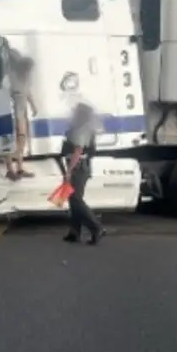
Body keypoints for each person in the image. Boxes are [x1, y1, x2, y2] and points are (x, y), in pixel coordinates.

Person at [61, 102, 106, 245]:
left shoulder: (82, 128)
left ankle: (96, 227)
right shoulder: (83, 127)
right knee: (73, 199)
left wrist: (69, 171)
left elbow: (78, 150)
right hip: (79, 166)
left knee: (76, 199)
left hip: (78, 167)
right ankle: (75, 232)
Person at [6, 54, 36, 180]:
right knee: (10, 141)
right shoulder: (11, 77)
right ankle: (10, 169)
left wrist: (33, 106)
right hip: (11, 112)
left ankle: (20, 168)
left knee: (22, 140)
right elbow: (6, 94)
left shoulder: (27, 78)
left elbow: (28, 92)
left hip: (22, 111)